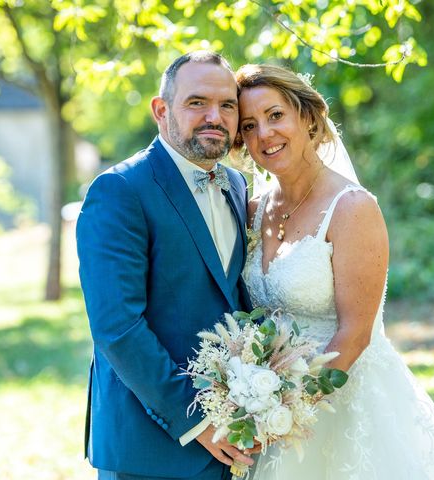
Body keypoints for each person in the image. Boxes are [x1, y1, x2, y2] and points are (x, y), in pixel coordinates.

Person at [235, 64, 434, 479]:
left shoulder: (352, 208)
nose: (264, 134)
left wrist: (288, 411)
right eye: (249, 125)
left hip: (340, 398)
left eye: (276, 115)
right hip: (267, 401)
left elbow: (355, 333)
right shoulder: (253, 210)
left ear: (307, 117)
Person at [76, 51, 258, 480]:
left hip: (233, 443)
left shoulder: (235, 183)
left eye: (227, 105)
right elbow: (117, 326)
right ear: (161, 110)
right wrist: (199, 421)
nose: (215, 116)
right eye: (197, 102)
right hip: (149, 447)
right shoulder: (120, 190)